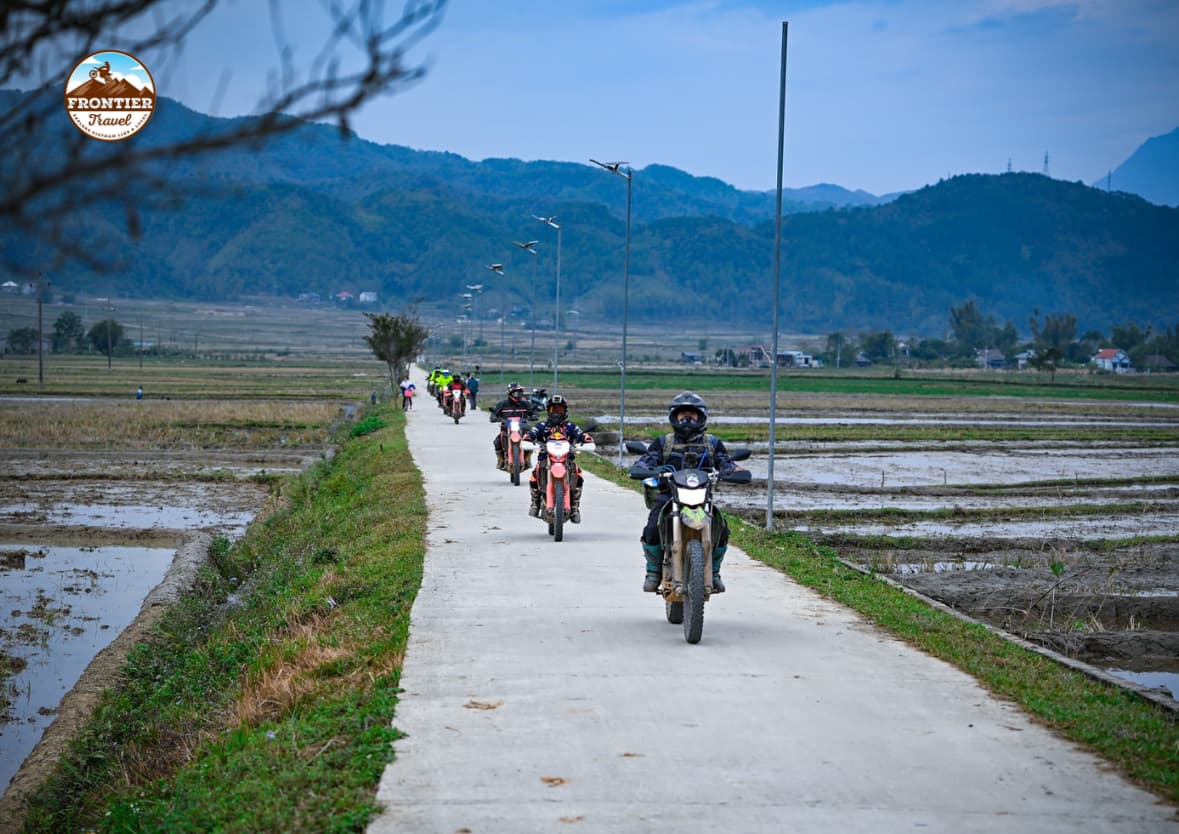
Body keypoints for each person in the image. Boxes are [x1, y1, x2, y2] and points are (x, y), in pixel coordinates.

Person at [629, 391, 738, 593]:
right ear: (674, 417)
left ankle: (713, 571)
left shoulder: (712, 444)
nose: (687, 419)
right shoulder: (663, 443)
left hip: (701, 497)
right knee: (652, 526)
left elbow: (727, 462)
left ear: (701, 416)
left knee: (721, 529)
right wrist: (648, 469)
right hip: (669, 495)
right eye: (682, 415)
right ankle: (653, 571)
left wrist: (733, 471)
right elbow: (645, 461)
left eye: (692, 414)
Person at [525, 395, 589, 523]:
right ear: (548, 411)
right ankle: (535, 503)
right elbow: (532, 433)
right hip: (546, 459)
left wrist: (586, 439)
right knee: (534, 473)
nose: (556, 413)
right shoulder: (542, 425)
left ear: (564, 411)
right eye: (553, 410)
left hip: (566, 460)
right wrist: (528, 438)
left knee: (579, 473)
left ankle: (575, 507)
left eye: (559, 410)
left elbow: (580, 434)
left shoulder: (570, 426)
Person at [488, 382, 537, 470]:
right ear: (510, 394)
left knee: (530, 440)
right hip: (506, 428)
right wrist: (494, 417)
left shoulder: (525, 404)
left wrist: (534, 415)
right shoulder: (502, 404)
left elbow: (533, 411)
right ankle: (501, 460)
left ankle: (527, 459)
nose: (518, 395)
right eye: (516, 393)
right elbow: (494, 412)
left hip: (522, 428)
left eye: (520, 392)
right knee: (497, 442)